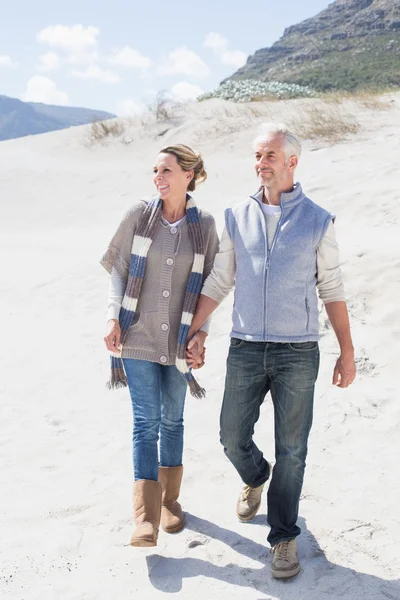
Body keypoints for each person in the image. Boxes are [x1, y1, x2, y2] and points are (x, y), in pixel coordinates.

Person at [186, 123, 356, 579]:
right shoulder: (236, 214)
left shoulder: (319, 220)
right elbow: (222, 279)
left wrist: (347, 351)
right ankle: (255, 475)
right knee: (230, 436)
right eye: (257, 156)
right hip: (244, 346)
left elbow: (333, 287)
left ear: (292, 162)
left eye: (269, 157)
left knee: (293, 451)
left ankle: (283, 538)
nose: (261, 164)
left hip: (298, 352)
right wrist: (196, 328)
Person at [100, 144, 219, 548]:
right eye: (155, 170)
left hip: (179, 341)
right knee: (144, 422)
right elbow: (117, 270)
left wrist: (202, 333)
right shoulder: (138, 215)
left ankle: (171, 502)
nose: (158, 177)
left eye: (166, 170)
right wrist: (113, 315)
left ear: (189, 175)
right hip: (137, 337)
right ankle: (145, 517)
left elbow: (211, 288)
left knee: (173, 421)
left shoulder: (203, 224)